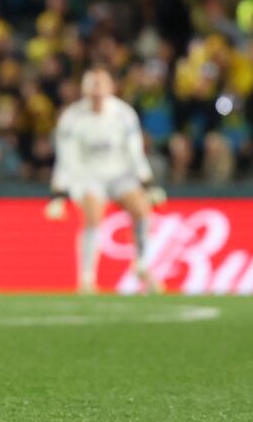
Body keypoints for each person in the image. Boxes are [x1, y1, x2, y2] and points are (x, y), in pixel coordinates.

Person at [44, 67, 164, 294]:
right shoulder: (72, 118)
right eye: (92, 86)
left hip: (119, 173)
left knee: (141, 209)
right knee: (93, 215)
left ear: (111, 88)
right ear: (84, 90)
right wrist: (58, 193)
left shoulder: (124, 114)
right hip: (87, 175)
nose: (97, 91)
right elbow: (65, 158)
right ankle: (87, 279)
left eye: (101, 85)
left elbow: (135, 153)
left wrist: (148, 184)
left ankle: (141, 265)